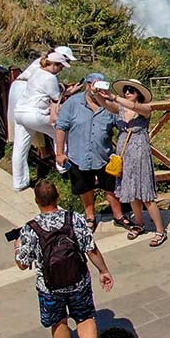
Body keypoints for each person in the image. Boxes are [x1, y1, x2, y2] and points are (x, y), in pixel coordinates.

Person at [14, 180, 115, 338]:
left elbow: (23, 264)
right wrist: (103, 270)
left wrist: (17, 247)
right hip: (78, 280)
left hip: (49, 287)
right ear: (57, 197)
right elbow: (91, 249)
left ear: (37, 201)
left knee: (59, 322)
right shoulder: (74, 219)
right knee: (85, 317)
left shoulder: (30, 229)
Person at [55, 73, 118, 230]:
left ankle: (119, 215)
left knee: (110, 188)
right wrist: (60, 152)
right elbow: (61, 126)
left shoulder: (108, 105)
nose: (97, 89)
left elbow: (121, 121)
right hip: (79, 154)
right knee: (85, 188)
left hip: (104, 154)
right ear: (88, 85)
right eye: (94, 85)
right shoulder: (73, 103)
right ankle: (90, 215)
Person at [107, 80, 166, 246]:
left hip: (140, 154)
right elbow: (105, 104)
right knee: (131, 191)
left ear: (138, 94)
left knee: (146, 193)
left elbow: (135, 107)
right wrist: (96, 92)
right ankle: (139, 224)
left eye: (131, 90)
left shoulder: (144, 109)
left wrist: (114, 97)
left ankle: (160, 230)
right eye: (126, 90)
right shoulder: (120, 109)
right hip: (125, 154)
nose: (127, 93)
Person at [10, 47, 76, 190]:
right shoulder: (50, 78)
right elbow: (56, 99)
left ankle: (19, 182)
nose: (61, 70)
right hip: (35, 114)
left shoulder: (37, 70)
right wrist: (69, 91)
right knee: (60, 133)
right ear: (54, 64)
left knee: (20, 147)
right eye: (60, 66)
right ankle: (62, 167)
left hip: (20, 111)